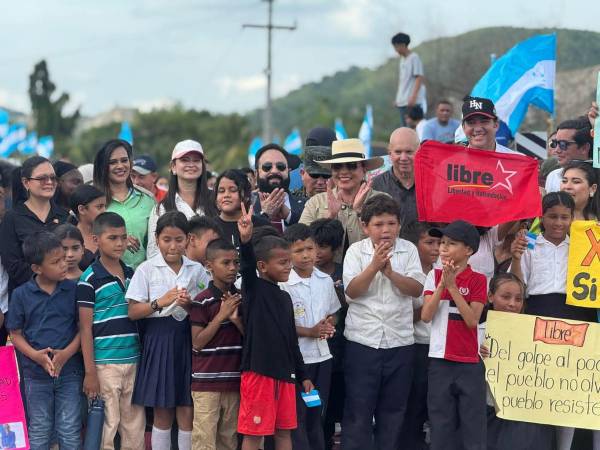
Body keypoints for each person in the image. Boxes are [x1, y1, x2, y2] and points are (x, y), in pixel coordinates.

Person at [341, 195, 424, 450]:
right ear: (365, 227)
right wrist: (374, 266)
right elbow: (351, 292)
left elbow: (417, 289)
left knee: (394, 410)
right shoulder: (356, 251)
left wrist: (391, 273)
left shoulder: (408, 249)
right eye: (378, 224)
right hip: (362, 341)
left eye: (391, 223)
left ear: (399, 225)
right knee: (359, 409)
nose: (386, 230)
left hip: (400, 341)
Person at [127, 211, 210, 450]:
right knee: (162, 410)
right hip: (159, 339)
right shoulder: (147, 268)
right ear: (156, 238)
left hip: (189, 337)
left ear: (189, 239)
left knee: (187, 408)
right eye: (166, 239)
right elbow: (133, 311)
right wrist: (158, 302)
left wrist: (190, 305)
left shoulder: (197, 270)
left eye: (179, 239)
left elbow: (206, 305)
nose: (173, 246)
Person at [235, 203, 314, 450]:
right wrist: (245, 241)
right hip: (259, 373)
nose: (288, 267)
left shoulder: (284, 298)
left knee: (284, 432)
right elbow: (246, 267)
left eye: (289, 261)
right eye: (282, 262)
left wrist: (303, 376)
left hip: (286, 376)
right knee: (254, 434)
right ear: (262, 266)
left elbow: (291, 340)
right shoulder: (254, 289)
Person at [7, 231, 83, 450]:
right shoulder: (22, 294)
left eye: (63, 259)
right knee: (40, 428)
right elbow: (15, 333)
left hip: (70, 372)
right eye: (56, 261)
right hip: (35, 374)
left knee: (69, 428)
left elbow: (82, 329)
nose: (63, 264)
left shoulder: (73, 289)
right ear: (36, 268)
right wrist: (35, 356)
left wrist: (68, 352)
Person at [77, 212, 145, 450]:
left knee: (134, 424)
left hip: (134, 360)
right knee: (107, 424)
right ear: (96, 240)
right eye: (112, 237)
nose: (120, 243)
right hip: (105, 364)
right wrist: (90, 372)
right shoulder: (89, 279)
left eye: (124, 237)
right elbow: (85, 329)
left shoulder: (132, 274)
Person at [421, 220, 487, 450]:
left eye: (451, 244)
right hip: (440, 360)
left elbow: (471, 320)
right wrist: (442, 285)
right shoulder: (433, 275)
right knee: (441, 424)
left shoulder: (479, 279)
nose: (443, 248)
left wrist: (453, 288)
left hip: (469, 362)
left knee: (473, 425)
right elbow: (426, 316)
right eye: (442, 243)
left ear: (468, 250)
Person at [280, 224, 340, 450]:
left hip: (321, 361)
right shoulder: (283, 284)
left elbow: (334, 312)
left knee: (316, 413)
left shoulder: (324, 280)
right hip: (297, 363)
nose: (306, 255)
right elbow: (282, 326)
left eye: (309, 249)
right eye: (298, 251)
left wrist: (328, 325)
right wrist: (310, 332)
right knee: (297, 417)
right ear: (287, 253)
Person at [480, 273, 556, 450]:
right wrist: (476, 359)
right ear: (490, 296)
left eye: (518, 299)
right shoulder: (477, 332)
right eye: (505, 297)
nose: (512, 304)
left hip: (527, 413)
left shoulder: (536, 334)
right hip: (490, 411)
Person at [190, 239, 244, 450]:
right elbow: (197, 343)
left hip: (234, 382)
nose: (232, 268)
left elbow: (251, 339)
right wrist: (221, 315)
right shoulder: (201, 300)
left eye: (236, 262)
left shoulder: (241, 298)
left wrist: (236, 320)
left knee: (228, 441)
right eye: (226, 263)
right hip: (206, 384)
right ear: (209, 266)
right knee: (204, 441)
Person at [510, 191, 595, 324]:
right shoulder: (529, 242)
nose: (558, 222)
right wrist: (516, 259)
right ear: (541, 217)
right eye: (553, 216)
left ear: (572, 218)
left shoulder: (582, 245)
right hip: (536, 310)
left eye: (564, 217)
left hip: (577, 313)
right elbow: (516, 284)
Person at [300, 139, 386, 261]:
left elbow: (386, 243)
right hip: (324, 276)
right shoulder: (315, 202)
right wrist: (329, 217)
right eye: (337, 166)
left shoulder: (381, 201)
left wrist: (360, 213)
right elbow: (301, 244)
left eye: (351, 166)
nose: (344, 172)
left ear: (364, 169)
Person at [399, 221, 441, 450]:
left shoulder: (446, 270)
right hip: (415, 344)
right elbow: (404, 313)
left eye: (440, 243)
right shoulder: (409, 272)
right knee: (413, 401)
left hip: (439, 345)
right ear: (415, 245)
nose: (436, 248)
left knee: (433, 402)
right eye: (429, 242)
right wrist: (427, 309)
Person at [0, 156, 69, 294]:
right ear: (26, 183)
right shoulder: (12, 218)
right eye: (42, 178)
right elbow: (13, 265)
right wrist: (47, 279)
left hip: (64, 294)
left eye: (52, 177)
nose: (49, 182)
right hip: (27, 298)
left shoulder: (65, 216)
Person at [308, 218, 346, 450]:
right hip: (310, 355)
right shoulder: (300, 274)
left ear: (335, 249)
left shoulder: (345, 272)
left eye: (323, 247)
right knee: (312, 406)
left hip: (338, 353)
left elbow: (346, 310)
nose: (317, 253)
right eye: (314, 246)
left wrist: (339, 295)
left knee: (331, 410)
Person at [147, 140, 216, 258]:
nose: (191, 164)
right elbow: (154, 253)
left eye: (196, 160)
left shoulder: (216, 200)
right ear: (173, 167)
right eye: (184, 160)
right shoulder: (161, 209)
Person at [93, 139, 155, 269]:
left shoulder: (147, 199)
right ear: (103, 166)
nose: (120, 166)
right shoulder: (93, 200)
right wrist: (117, 242)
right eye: (113, 162)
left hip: (144, 279)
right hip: (105, 280)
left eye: (124, 160)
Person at [212, 169, 271, 249]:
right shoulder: (209, 228)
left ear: (246, 196)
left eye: (233, 190)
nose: (226, 195)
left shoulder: (262, 226)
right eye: (221, 191)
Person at [372, 128, 419, 226]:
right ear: (390, 154)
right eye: (398, 152)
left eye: (409, 152)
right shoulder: (375, 186)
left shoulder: (432, 185)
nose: (403, 158)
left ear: (419, 152)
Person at [252, 143, 305, 229]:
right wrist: (265, 215)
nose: (275, 171)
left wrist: (289, 216)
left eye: (281, 166)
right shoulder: (245, 206)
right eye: (267, 167)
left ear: (288, 171)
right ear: (256, 174)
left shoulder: (308, 205)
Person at [545, 118, 593, 193]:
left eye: (563, 144)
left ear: (584, 148)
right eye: (554, 143)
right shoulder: (553, 176)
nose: (556, 150)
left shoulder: (596, 174)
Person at [392, 32, 426, 128]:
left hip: (412, 102)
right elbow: (403, 81)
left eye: (396, 47)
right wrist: (398, 99)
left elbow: (419, 77)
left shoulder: (414, 57)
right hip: (402, 101)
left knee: (414, 128)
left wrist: (413, 97)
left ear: (403, 45)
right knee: (404, 128)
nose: (395, 50)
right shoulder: (402, 60)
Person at [69, 184, 107, 269]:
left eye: (105, 206)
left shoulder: (108, 233)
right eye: (99, 207)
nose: (104, 211)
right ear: (82, 209)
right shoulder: (66, 237)